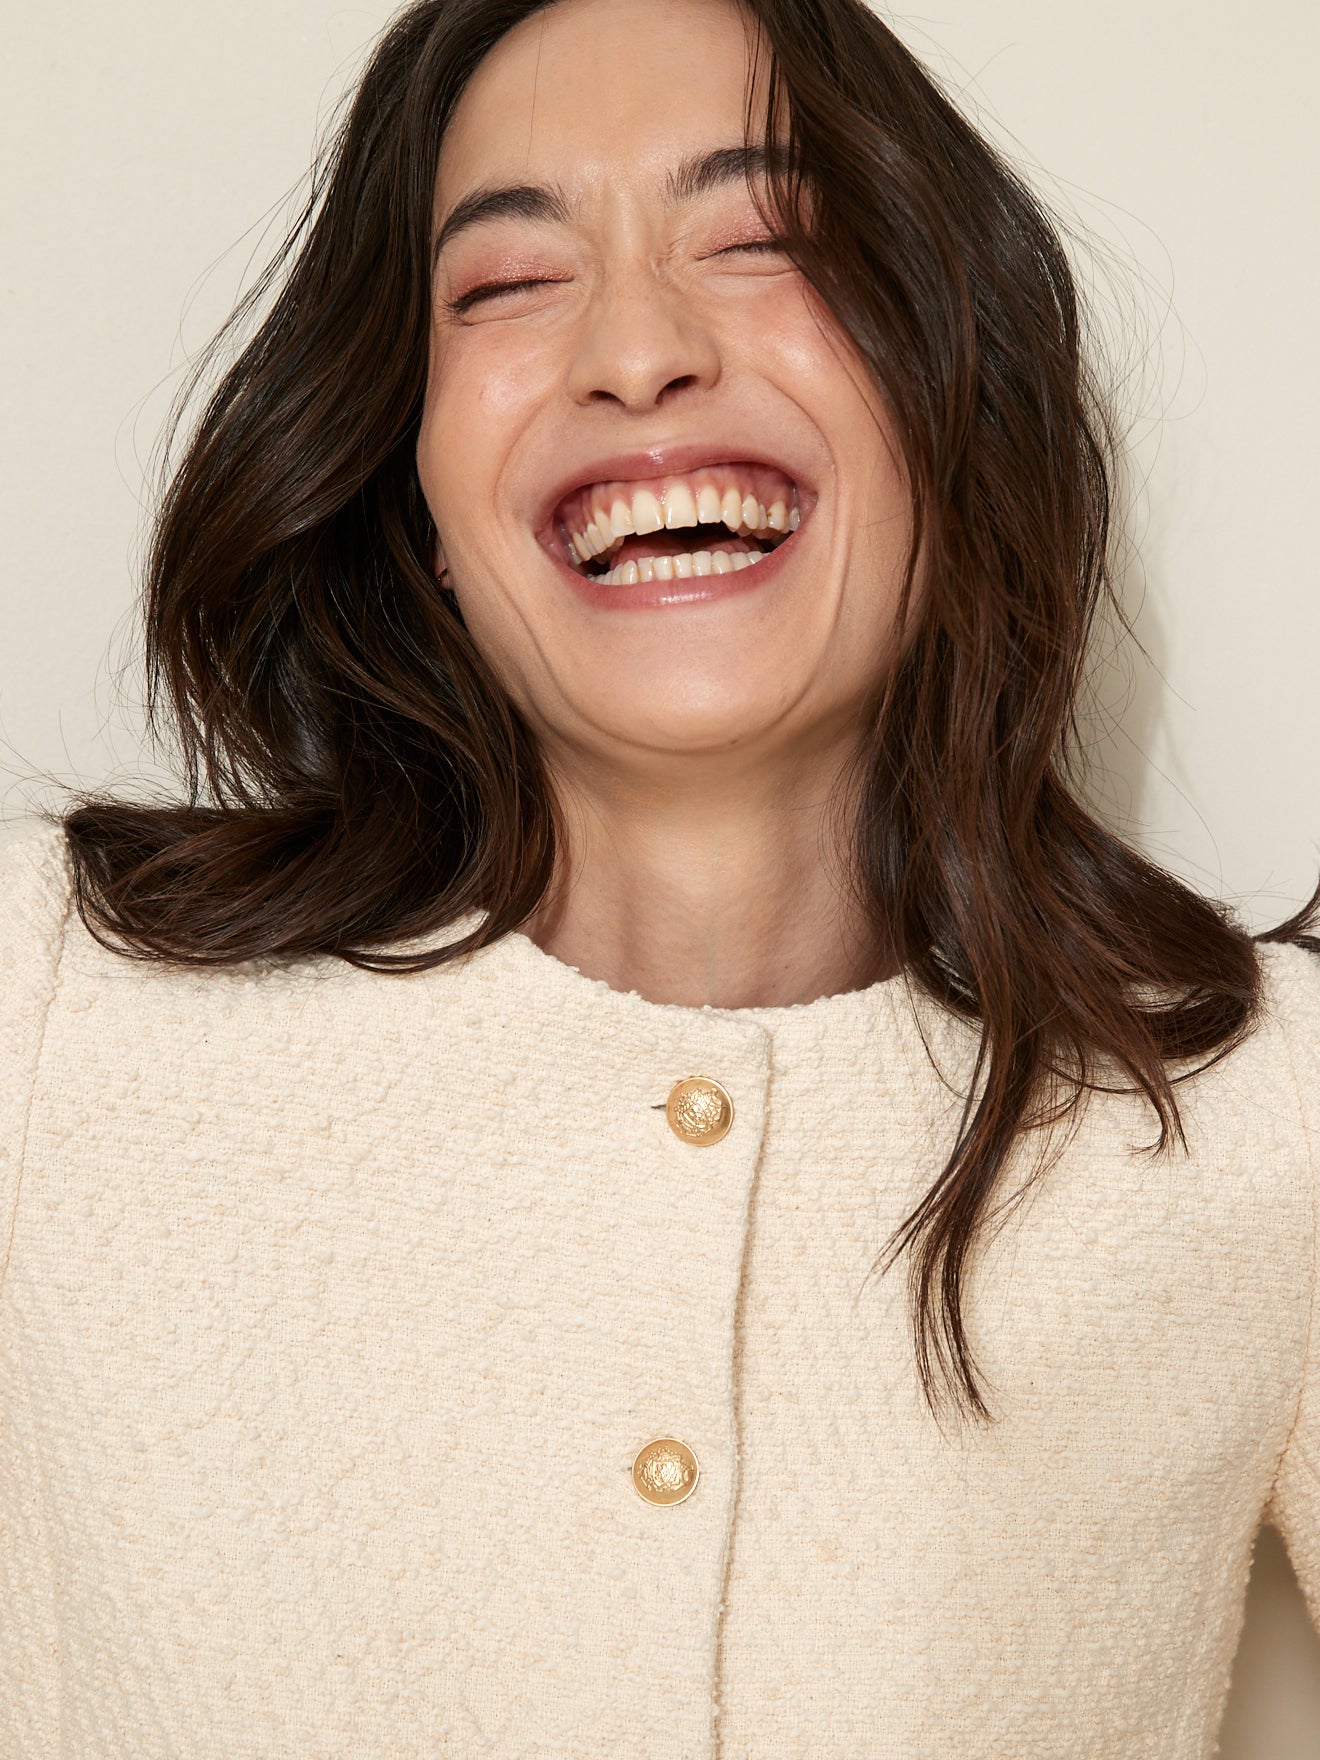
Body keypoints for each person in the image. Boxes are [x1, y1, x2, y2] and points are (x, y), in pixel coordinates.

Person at [1, 0, 1316, 1752]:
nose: (636, 351)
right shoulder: (49, 1005)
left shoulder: (1265, 1117)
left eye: (765, 240)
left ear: (951, 388)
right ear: (414, 488)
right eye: (505, 282)